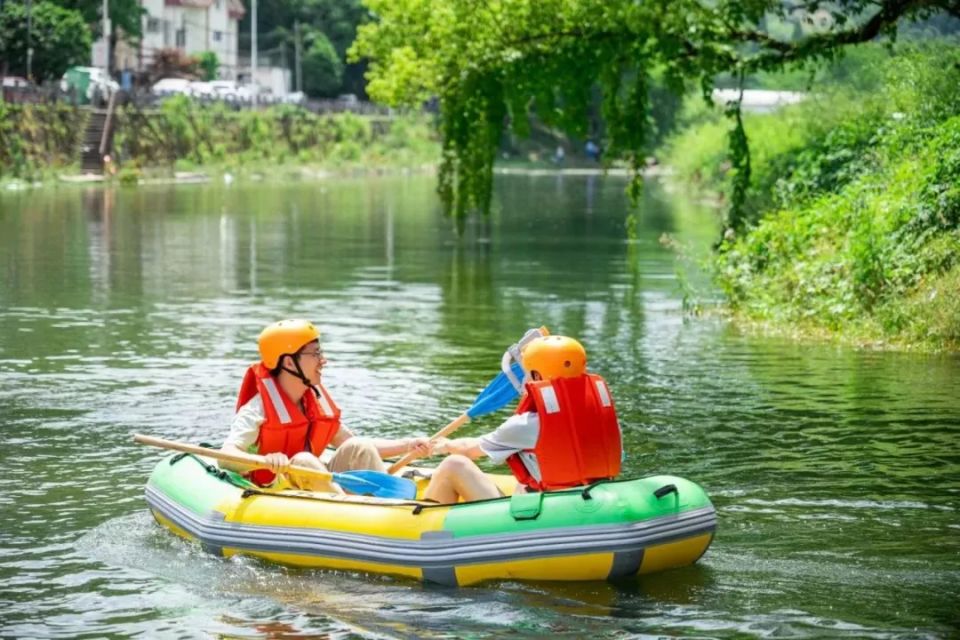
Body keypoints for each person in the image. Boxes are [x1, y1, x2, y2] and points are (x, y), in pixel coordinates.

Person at [219, 319, 430, 491]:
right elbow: (226, 457)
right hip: (273, 490)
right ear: (289, 362)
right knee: (303, 461)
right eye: (315, 354)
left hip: (316, 486)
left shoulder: (315, 404)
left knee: (360, 446)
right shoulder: (257, 410)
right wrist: (265, 460)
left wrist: (407, 445)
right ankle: (353, 510)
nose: (323, 360)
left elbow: (351, 444)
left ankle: (388, 502)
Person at [421, 335, 622, 504]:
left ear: (537, 376)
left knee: (453, 464)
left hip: (546, 511)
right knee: (524, 477)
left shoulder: (526, 424)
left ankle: (422, 523)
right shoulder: (605, 418)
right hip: (591, 499)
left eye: (527, 373)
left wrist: (443, 445)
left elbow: (467, 449)